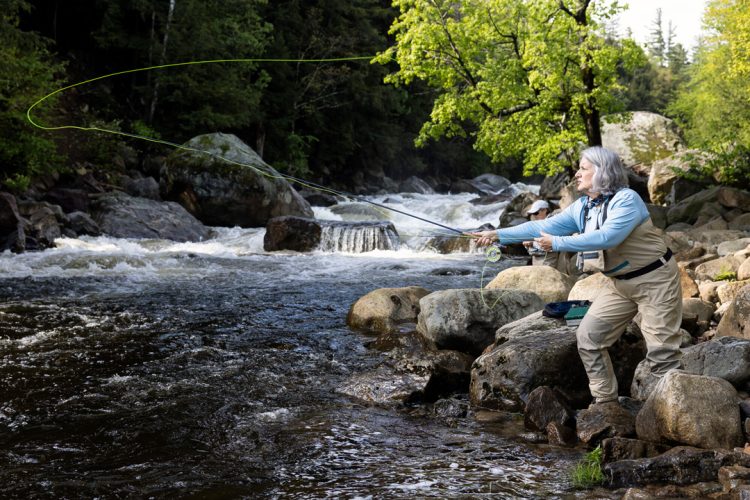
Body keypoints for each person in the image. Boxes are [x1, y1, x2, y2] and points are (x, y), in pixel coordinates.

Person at [470, 146, 682, 405]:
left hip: (655, 279)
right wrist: (498, 234)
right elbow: (541, 226)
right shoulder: (583, 207)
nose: (577, 173)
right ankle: (605, 403)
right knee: (589, 338)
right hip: (619, 284)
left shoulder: (627, 200)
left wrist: (558, 243)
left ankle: (675, 417)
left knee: (662, 354)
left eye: (583, 168)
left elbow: (608, 236)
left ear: (602, 172)